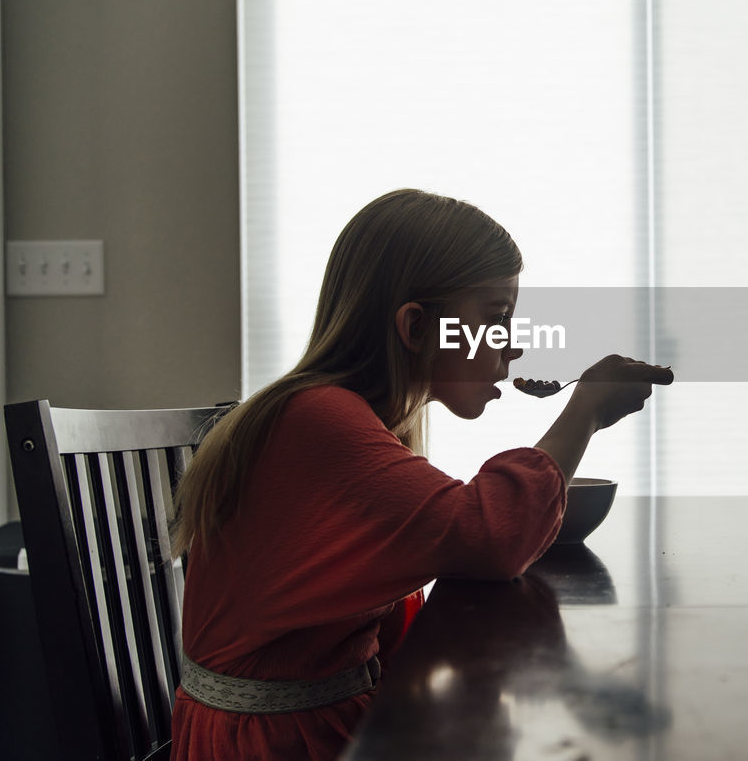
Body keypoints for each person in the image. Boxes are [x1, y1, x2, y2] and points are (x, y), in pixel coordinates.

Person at [168, 188, 672, 760]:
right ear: (415, 328)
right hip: (278, 745)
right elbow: (490, 535)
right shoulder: (319, 419)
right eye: (497, 318)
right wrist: (583, 412)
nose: (513, 347)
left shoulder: (353, 419)